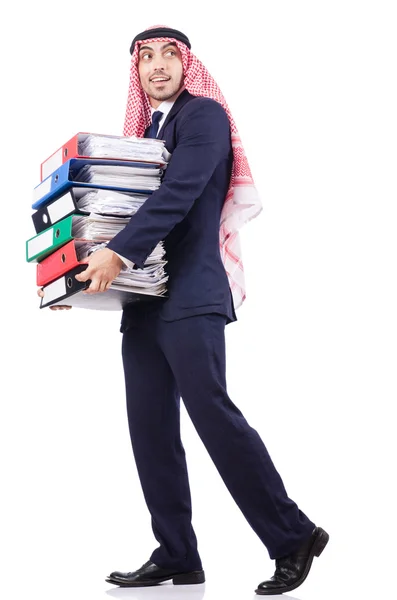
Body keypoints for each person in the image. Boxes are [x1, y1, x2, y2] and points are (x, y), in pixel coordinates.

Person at [38, 25, 329, 595]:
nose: (157, 65)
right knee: (149, 429)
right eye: (144, 57)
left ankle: (293, 535)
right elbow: (115, 209)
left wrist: (117, 254)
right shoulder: (145, 133)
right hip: (145, 302)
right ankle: (177, 553)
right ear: (135, 72)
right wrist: (68, 281)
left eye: (169, 54)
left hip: (192, 293)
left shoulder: (204, 117)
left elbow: (181, 192)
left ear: (186, 62)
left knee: (213, 417)